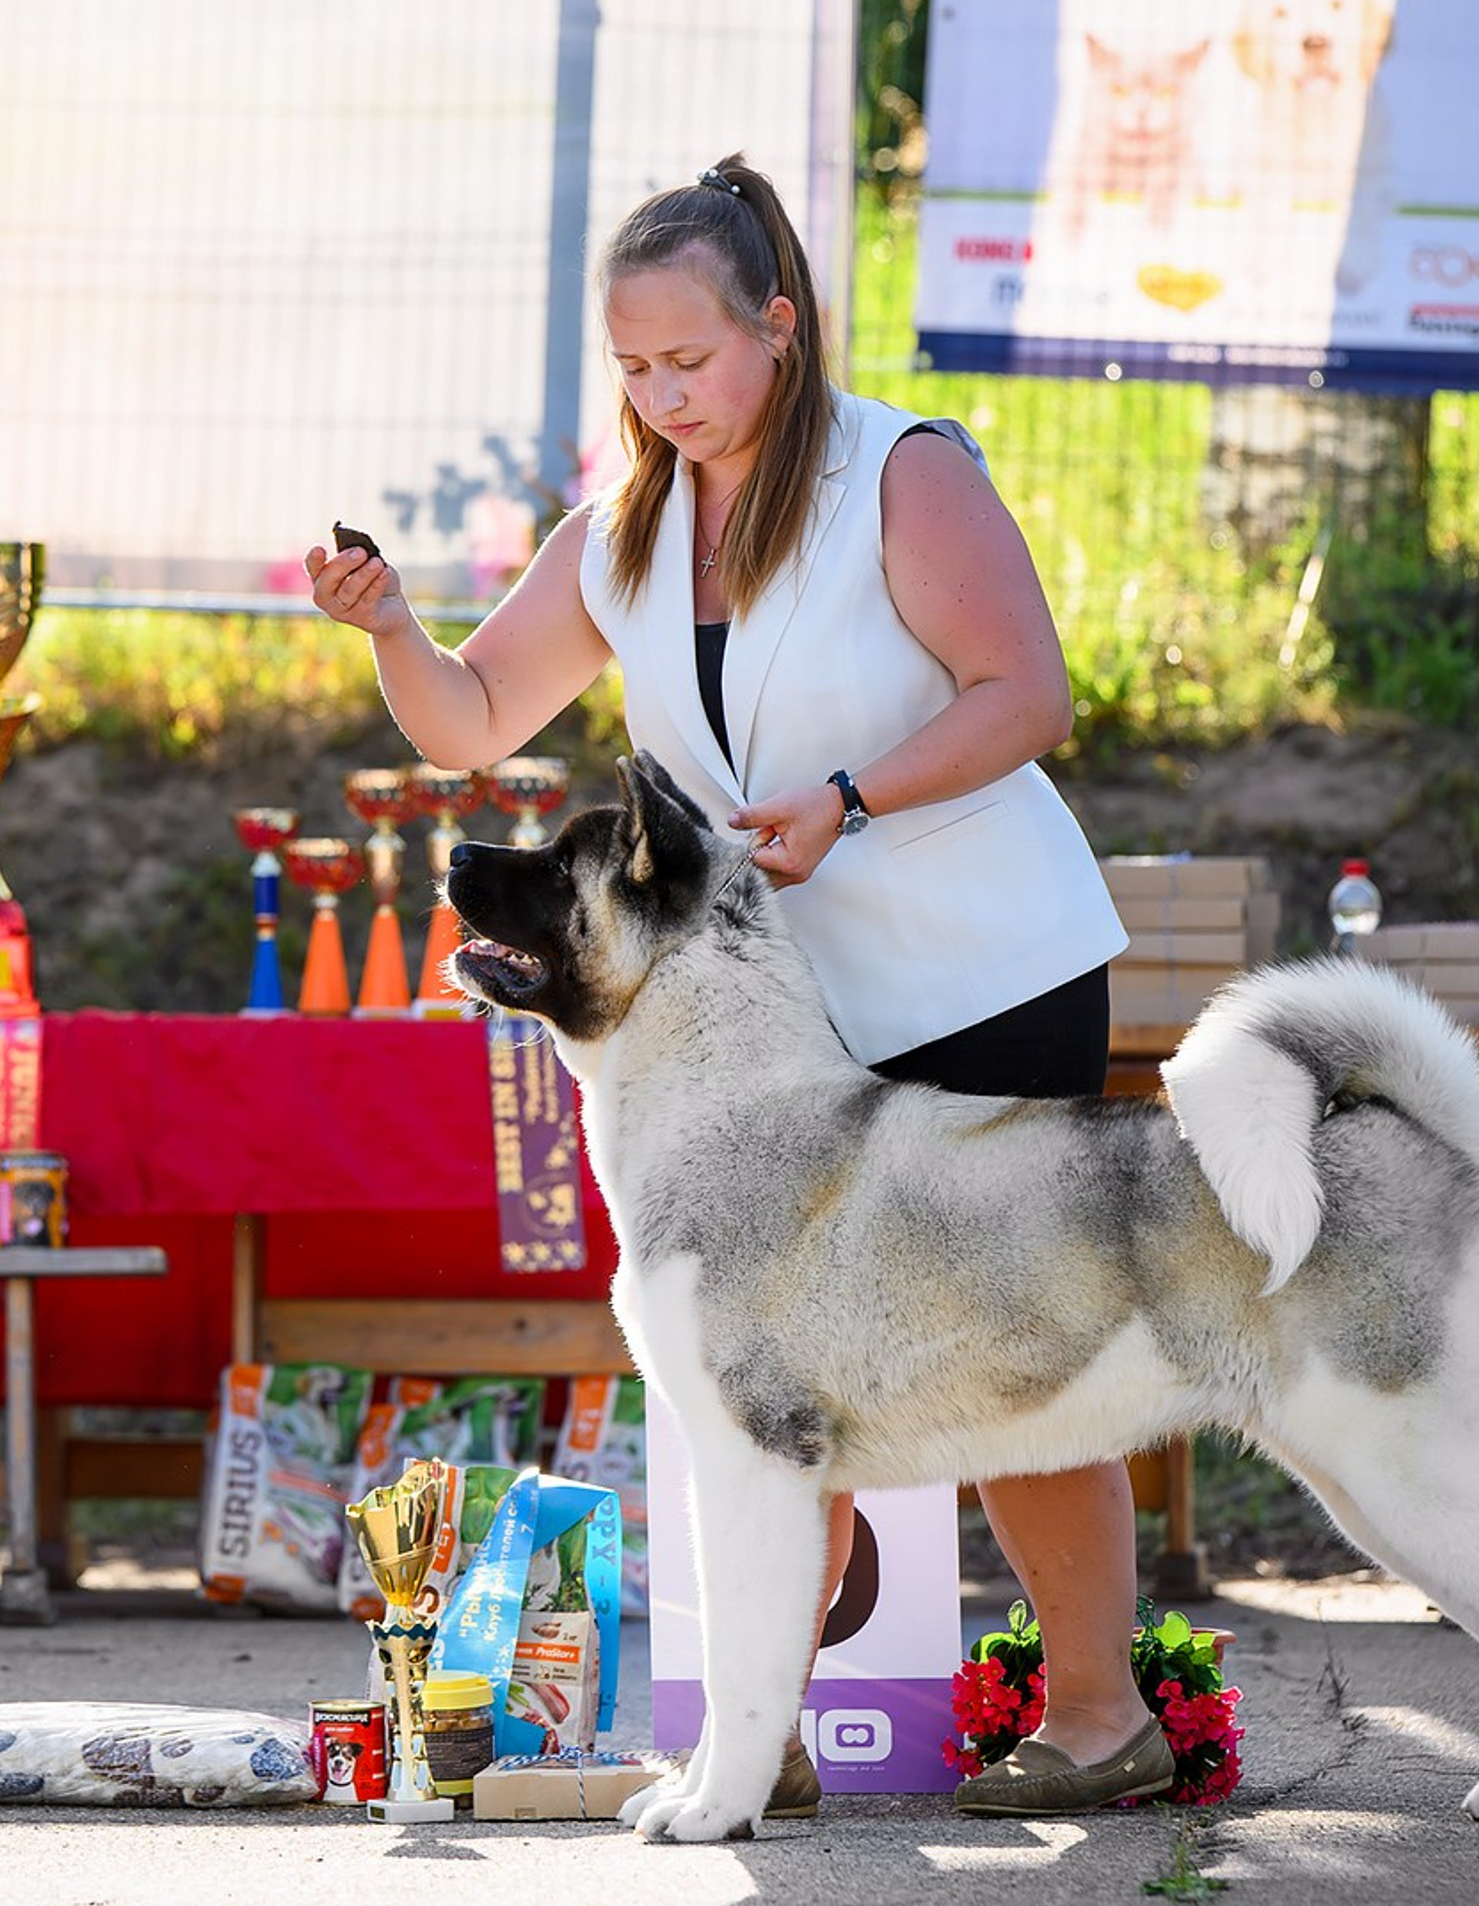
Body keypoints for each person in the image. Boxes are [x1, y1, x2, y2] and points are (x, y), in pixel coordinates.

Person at [305, 153, 1163, 1818]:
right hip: (784, 1017)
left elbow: (1026, 693)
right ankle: (759, 1736)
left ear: (780, 323)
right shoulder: (619, 527)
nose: (661, 396)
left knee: (1019, 1352)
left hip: (981, 972)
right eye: (632, 367)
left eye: (689, 359)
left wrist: (852, 798)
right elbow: (474, 717)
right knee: (759, 1374)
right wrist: (395, 627)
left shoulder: (903, 472)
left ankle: (1097, 1713)